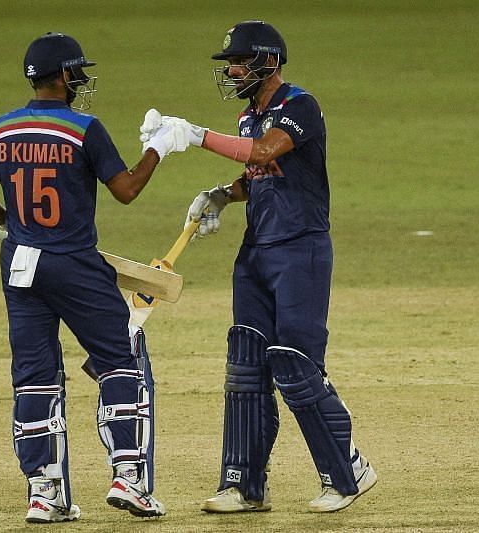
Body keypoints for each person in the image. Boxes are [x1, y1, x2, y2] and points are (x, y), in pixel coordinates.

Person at [140, 20, 378, 513]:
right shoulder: (250, 119)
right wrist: (222, 196)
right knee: (246, 362)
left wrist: (198, 135)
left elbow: (269, 151)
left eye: (239, 61)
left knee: (295, 361)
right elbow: (259, 169)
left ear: (269, 61)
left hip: (300, 249)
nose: (231, 70)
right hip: (256, 252)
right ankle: (244, 485)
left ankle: (346, 470)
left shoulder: (299, 106)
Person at [0, 32, 188, 524]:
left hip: (21, 264)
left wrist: (12, 222)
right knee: (119, 361)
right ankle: (128, 477)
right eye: (77, 72)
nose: (80, 80)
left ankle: (44, 492)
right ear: (63, 76)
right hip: (75, 264)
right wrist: (158, 149)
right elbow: (125, 190)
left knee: (35, 376)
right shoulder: (84, 128)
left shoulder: (2, 128)